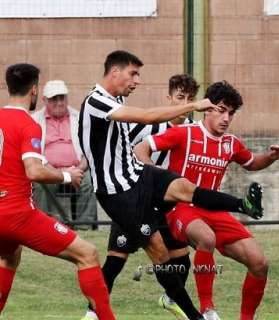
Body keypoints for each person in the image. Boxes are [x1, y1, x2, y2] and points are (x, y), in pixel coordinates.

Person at [78, 50, 263, 320]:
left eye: (190, 98)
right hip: (121, 192)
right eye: (133, 73)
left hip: (141, 179)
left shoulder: (180, 124)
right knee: (136, 256)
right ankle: (98, 313)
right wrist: (194, 106)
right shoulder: (99, 101)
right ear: (114, 72)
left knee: (186, 196)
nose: (137, 80)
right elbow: (143, 121)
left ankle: (242, 205)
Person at [134, 80, 279, 320]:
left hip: (215, 211)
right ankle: (208, 310)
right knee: (206, 238)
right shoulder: (184, 133)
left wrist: (270, 157)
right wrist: (155, 177)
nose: (226, 118)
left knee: (260, 263)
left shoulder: (230, 143)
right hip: (180, 209)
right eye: (221, 110)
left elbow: (252, 163)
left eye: (231, 113)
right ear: (208, 108)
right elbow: (141, 148)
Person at [0, 63, 115, 319]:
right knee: (88, 254)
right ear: (33, 91)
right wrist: (67, 175)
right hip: (17, 214)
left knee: (9, 257)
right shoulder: (28, 124)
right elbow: (34, 171)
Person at [82, 74, 200, 320]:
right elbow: (112, 147)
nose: (183, 103)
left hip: (168, 205)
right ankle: (92, 313)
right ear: (169, 98)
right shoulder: (147, 126)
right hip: (133, 199)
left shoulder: (194, 131)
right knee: (116, 260)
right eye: (179, 97)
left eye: (190, 99)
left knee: (181, 260)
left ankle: (170, 299)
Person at [31, 80, 98, 228]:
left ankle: (85, 227)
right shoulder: (34, 120)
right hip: (48, 169)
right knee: (42, 183)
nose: (59, 103)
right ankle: (50, 226)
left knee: (89, 181)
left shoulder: (79, 118)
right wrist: (58, 172)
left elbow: (89, 149)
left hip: (78, 169)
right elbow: (34, 153)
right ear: (44, 100)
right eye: (54, 99)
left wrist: (78, 169)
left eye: (62, 98)